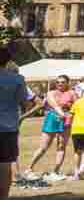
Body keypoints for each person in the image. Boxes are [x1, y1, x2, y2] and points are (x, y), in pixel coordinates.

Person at [0, 45, 38, 200]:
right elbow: (26, 103)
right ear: (8, 60)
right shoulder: (17, 79)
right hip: (8, 127)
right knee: (5, 164)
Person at [25, 74, 76, 181]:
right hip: (52, 119)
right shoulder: (50, 93)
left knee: (61, 146)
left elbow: (76, 106)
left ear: (67, 83)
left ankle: (56, 172)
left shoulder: (72, 93)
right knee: (43, 147)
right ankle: (29, 169)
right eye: (58, 82)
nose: (60, 84)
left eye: (62, 82)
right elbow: (54, 105)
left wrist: (70, 115)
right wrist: (63, 114)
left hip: (66, 121)